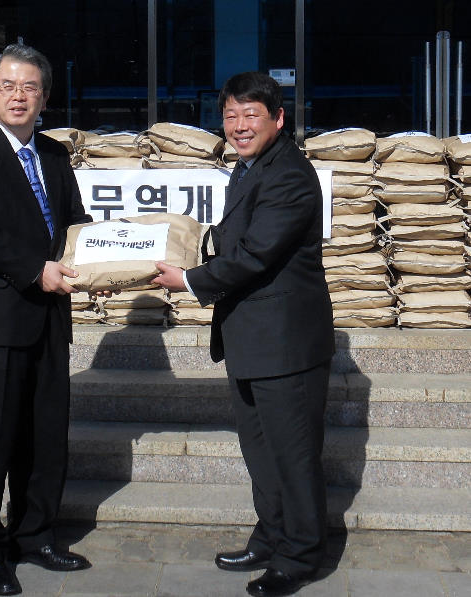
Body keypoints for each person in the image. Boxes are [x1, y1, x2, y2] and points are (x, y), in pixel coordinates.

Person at [153, 72, 335, 597]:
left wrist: (189, 279)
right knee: (261, 452)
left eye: (251, 114)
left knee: (292, 455)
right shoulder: (249, 168)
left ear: (278, 118)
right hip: (251, 339)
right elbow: (233, 239)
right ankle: (271, 536)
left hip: (286, 345)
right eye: (230, 115)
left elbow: (256, 254)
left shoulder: (290, 176)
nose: (239, 126)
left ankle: (300, 557)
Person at [0, 43, 92, 596]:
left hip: (49, 318)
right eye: (8, 86)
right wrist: (34, 270)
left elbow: (73, 221)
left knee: (44, 437)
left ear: (44, 98)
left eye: (30, 87)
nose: (19, 96)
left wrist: (99, 258)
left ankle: (36, 535)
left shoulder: (53, 154)